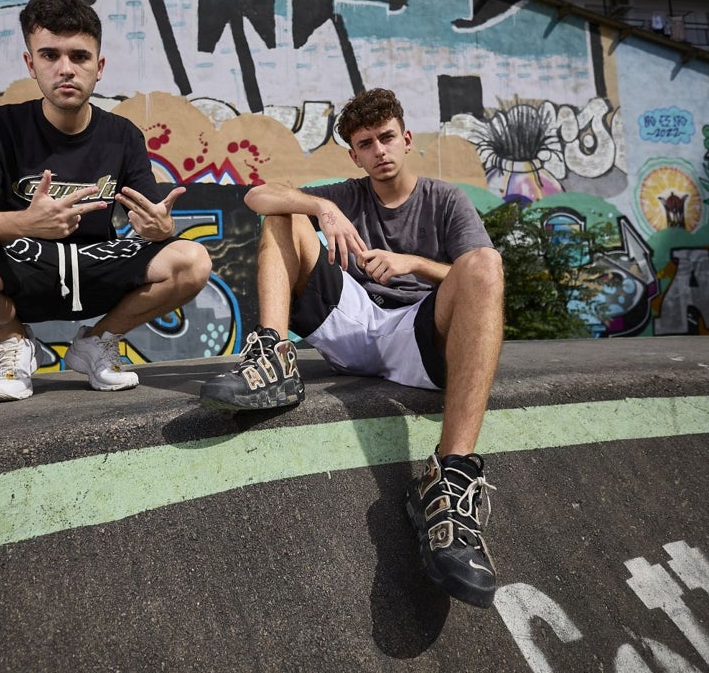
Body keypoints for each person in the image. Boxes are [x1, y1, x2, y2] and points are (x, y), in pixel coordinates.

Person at [200, 87, 505, 608]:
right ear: (354, 155)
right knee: (284, 213)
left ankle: (449, 484)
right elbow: (257, 196)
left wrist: (413, 263)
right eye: (366, 144)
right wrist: (319, 206)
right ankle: (273, 358)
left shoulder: (445, 200)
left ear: (406, 139)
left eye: (387, 138)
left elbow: (481, 285)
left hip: (416, 332)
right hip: (352, 320)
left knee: (484, 264)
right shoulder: (346, 194)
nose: (380, 151)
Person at [0, 0, 212, 402]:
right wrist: (26, 223)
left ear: (99, 66)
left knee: (192, 261)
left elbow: (151, 218)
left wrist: (161, 227)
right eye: (50, 56)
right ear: (30, 64)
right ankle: (14, 343)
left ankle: (97, 342)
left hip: (96, 264)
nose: (66, 70)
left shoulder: (123, 135)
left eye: (79, 56)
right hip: (21, 264)